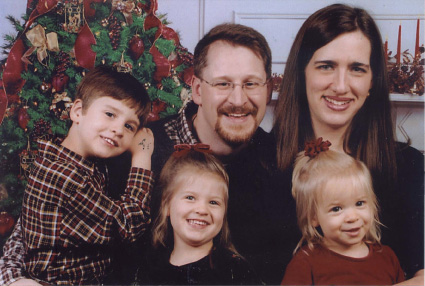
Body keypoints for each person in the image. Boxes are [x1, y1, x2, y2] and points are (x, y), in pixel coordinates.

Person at [1, 23, 297, 285]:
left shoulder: (282, 163)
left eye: (251, 84)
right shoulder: (136, 146)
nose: (238, 99)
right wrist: (14, 278)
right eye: (223, 83)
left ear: (269, 89)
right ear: (196, 90)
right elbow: (38, 223)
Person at [272, 3, 424, 284]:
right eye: (326, 66)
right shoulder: (263, 160)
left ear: (372, 81)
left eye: (356, 69)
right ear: (302, 72)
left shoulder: (409, 166)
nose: (341, 86)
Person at [14, 66, 155, 285]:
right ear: (78, 112)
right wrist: (142, 156)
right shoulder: (66, 176)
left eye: (129, 126)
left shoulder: (71, 161)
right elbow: (129, 226)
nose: (118, 129)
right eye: (110, 114)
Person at [281, 138, 405, 285]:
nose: (352, 217)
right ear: (313, 217)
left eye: (359, 203)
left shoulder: (387, 257)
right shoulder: (305, 262)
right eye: (336, 209)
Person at [133, 144, 262, 285]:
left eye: (213, 202)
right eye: (190, 198)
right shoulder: (150, 272)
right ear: (166, 205)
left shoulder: (235, 270)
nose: (202, 210)